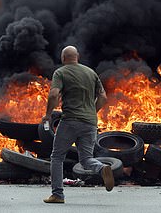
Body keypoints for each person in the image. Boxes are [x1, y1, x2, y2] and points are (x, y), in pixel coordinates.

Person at [42, 45, 114, 204]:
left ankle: (57, 195)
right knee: (87, 159)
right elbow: (103, 97)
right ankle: (102, 168)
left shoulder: (60, 72)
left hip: (70, 121)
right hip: (90, 123)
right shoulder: (91, 72)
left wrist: (48, 115)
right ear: (78, 56)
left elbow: (54, 94)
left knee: (57, 157)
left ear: (63, 58)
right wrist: (91, 111)